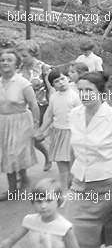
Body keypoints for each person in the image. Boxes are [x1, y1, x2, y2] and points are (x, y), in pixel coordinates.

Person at [64, 71, 112, 248]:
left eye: (89, 90)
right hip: (79, 185)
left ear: (101, 93)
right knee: (75, 234)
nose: (84, 95)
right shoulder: (74, 114)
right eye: (80, 90)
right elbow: (73, 148)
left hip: (109, 186)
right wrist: (69, 174)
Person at [0, 49, 39, 201]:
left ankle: (12, 190)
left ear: (17, 64)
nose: (5, 63)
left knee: (13, 154)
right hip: (3, 122)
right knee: (8, 154)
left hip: (21, 122)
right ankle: (23, 177)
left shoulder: (23, 83)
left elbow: (34, 105)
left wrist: (36, 126)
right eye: (2, 60)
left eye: (9, 60)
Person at [0, 178, 79, 248]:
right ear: (33, 202)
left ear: (58, 201)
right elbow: (10, 241)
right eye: (39, 201)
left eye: (49, 200)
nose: (43, 206)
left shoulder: (65, 227)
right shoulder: (29, 220)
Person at [36, 68, 81, 191]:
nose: (61, 82)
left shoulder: (75, 96)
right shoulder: (54, 97)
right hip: (59, 134)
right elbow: (49, 115)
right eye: (56, 81)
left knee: (74, 165)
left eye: (62, 79)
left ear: (67, 79)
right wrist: (41, 130)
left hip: (73, 134)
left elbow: (81, 116)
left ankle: (75, 189)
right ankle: (64, 191)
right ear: (53, 85)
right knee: (62, 165)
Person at [16, 40, 51, 171]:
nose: (21, 59)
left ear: (33, 53)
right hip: (22, 109)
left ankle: (47, 156)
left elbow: (51, 88)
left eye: (24, 56)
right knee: (20, 140)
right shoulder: (19, 68)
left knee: (34, 138)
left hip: (40, 107)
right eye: (20, 56)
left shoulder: (44, 68)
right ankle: (20, 171)